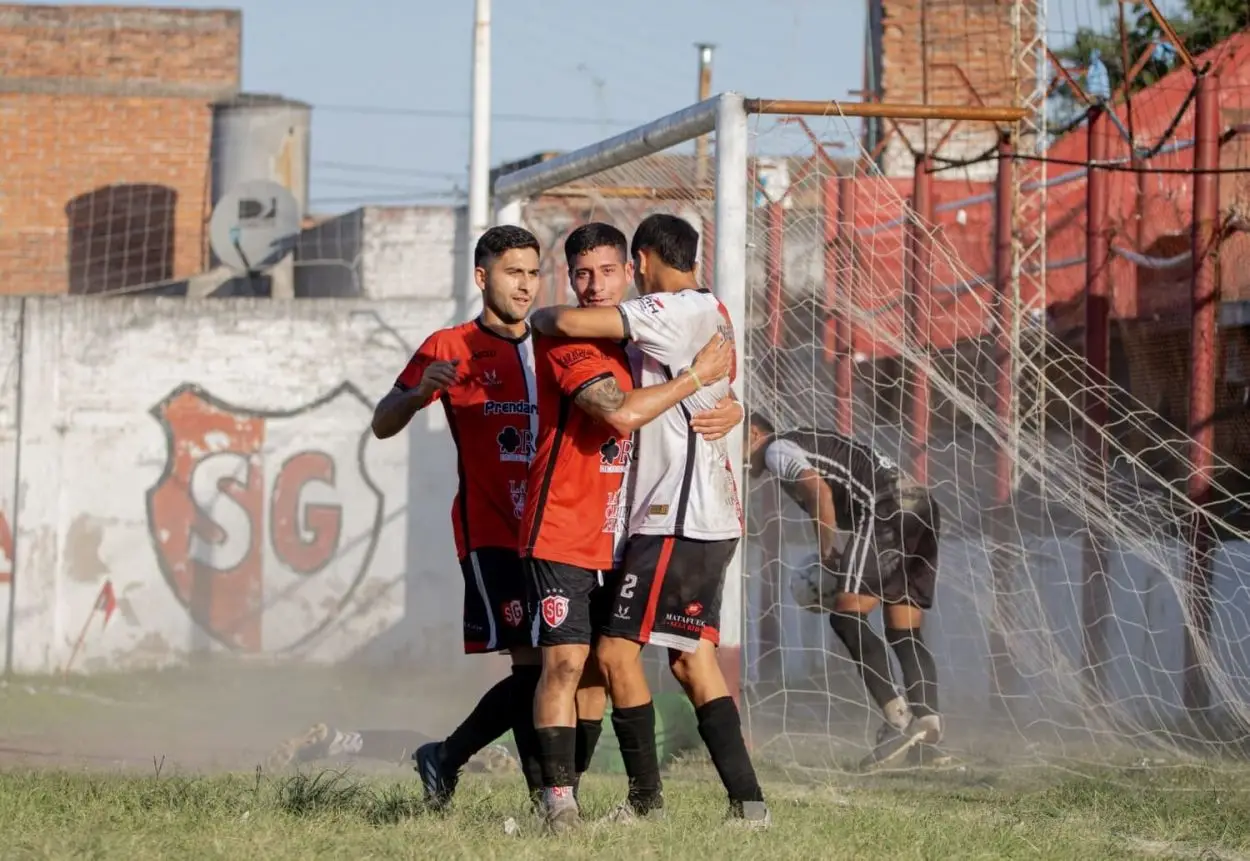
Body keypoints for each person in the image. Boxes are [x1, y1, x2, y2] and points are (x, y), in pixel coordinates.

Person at [530, 213, 770, 827]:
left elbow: (571, 331)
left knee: (613, 655)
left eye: (612, 269)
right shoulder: (711, 310)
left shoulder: (670, 308)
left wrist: (538, 315)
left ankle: (644, 804)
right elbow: (710, 391)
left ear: (639, 263)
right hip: (705, 514)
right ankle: (749, 806)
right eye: (582, 273)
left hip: (675, 515)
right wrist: (730, 403)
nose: (601, 283)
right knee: (692, 660)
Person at [371, 224, 547, 811]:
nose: (525, 286)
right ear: (481, 276)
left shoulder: (553, 343)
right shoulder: (450, 345)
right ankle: (542, 798)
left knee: (554, 664)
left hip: (555, 530)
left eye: (533, 273)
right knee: (531, 665)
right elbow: (382, 421)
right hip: (490, 528)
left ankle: (448, 759)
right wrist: (417, 392)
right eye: (513, 272)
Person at [744, 411, 950, 771]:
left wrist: (827, 552)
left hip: (886, 508)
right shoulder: (804, 441)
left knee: (845, 617)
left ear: (753, 432)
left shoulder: (777, 449)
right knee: (904, 632)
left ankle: (898, 720)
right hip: (921, 506)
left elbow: (818, 490)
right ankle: (928, 729)